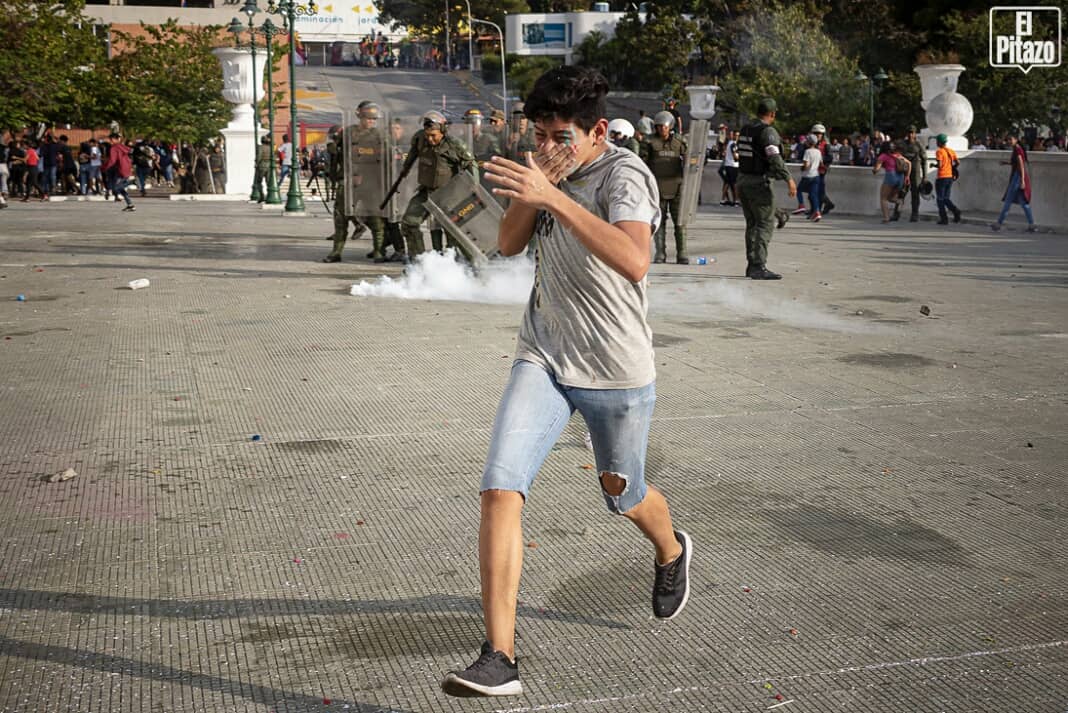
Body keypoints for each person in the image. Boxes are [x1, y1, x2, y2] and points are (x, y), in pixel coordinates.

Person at [443, 65, 691, 698]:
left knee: (622, 495)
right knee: (500, 486)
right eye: (541, 134)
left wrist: (554, 196)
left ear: (597, 130)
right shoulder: (543, 171)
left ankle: (669, 548)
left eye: (560, 136)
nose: (548, 147)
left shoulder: (625, 174)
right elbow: (505, 244)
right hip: (544, 356)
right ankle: (500, 656)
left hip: (616, 368)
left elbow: (635, 260)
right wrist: (533, 192)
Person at [399, 110, 477, 255]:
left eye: (433, 136)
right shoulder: (419, 138)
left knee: (454, 233)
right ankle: (419, 263)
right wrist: (405, 170)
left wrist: (474, 187)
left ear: (443, 131)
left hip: (448, 195)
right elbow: (412, 154)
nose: (429, 139)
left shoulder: (454, 145)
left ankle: (463, 266)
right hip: (426, 192)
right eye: (427, 135)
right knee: (409, 223)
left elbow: (472, 165)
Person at [736, 98, 797, 280]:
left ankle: (751, 264)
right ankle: (758, 266)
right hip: (758, 183)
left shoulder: (746, 129)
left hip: (743, 180)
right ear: (772, 114)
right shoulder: (767, 132)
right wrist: (788, 178)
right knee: (764, 224)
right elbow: (774, 157)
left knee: (752, 224)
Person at [325, 101, 388, 263]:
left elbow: (384, 158)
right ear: (360, 116)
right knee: (341, 217)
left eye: (374, 119)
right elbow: (337, 151)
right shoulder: (348, 132)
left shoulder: (379, 135)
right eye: (368, 118)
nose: (371, 121)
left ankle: (378, 251)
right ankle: (336, 252)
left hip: (370, 182)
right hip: (348, 181)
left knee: (375, 217)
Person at [641, 111, 688, 264]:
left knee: (680, 222)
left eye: (664, 127)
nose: (662, 129)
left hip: (677, 188)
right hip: (657, 189)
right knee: (659, 223)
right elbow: (641, 164)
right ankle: (660, 253)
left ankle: (682, 253)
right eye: (659, 127)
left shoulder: (680, 142)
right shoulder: (649, 142)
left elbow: (693, 160)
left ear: (670, 127)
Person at [990, 133, 1037, 232]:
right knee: (1024, 203)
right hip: (1018, 176)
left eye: (1010, 139)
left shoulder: (1018, 150)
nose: (1008, 142)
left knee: (1008, 201)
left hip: (1017, 177)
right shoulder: (1017, 149)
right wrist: (1006, 163)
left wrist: (1022, 180)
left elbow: (1021, 165)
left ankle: (998, 223)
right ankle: (1032, 225)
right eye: (1008, 140)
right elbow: (1017, 163)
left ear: (1016, 139)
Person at [872, 141, 909, 223]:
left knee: (883, 198)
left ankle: (886, 218)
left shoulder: (883, 156)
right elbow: (908, 163)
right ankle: (899, 201)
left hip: (891, 176)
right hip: (900, 178)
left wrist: (874, 170)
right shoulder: (898, 155)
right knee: (891, 198)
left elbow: (877, 169)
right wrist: (907, 176)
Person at [101, 132, 135, 212]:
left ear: (114, 139)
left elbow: (112, 160)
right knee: (120, 188)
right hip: (126, 168)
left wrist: (104, 167)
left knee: (116, 188)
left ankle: (132, 182)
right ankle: (130, 205)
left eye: (111, 139)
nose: (110, 141)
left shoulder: (114, 148)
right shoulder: (122, 146)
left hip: (121, 169)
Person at [899, 125, 927, 222]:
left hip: (915, 172)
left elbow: (924, 161)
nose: (910, 135)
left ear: (915, 134)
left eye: (912, 133)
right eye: (909, 133)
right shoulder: (903, 144)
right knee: (901, 192)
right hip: (904, 171)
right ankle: (896, 213)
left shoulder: (918, 145)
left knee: (915, 194)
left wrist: (925, 177)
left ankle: (915, 214)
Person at [933, 133, 961, 225]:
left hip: (942, 177)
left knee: (940, 199)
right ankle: (955, 211)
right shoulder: (951, 151)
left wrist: (934, 165)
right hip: (949, 177)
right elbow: (958, 162)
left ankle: (944, 218)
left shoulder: (939, 152)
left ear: (939, 142)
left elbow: (940, 165)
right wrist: (953, 168)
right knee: (946, 198)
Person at [810, 123, 835, 214]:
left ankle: (818, 209)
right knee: (814, 191)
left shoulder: (826, 144)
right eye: (815, 133)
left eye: (819, 133)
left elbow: (830, 157)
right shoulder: (812, 144)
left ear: (823, 134)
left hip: (821, 170)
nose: (817, 135)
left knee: (818, 191)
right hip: (812, 170)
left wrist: (820, 159)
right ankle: (823, 206)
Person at [799, 135, 822, 221]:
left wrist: (802, 168)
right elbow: (821, 163)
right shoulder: (818, 151)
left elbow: (806, 165)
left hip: (808, 176)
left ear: (808, 142)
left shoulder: (807, 151)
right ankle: (817, 212)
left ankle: (801, 205)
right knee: (813, 195)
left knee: (798, 190)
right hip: (816, 175)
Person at [718, 128, 739, 206]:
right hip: (733, 166)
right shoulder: (733, 144)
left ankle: (722, 200)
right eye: (736, 135)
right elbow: (735, 156)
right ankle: (736, 201)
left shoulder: (730, 143)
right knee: (735, 184)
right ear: (732, 136)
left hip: (728, 165)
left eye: (738, 136)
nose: (737, 137)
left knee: (727, 183)